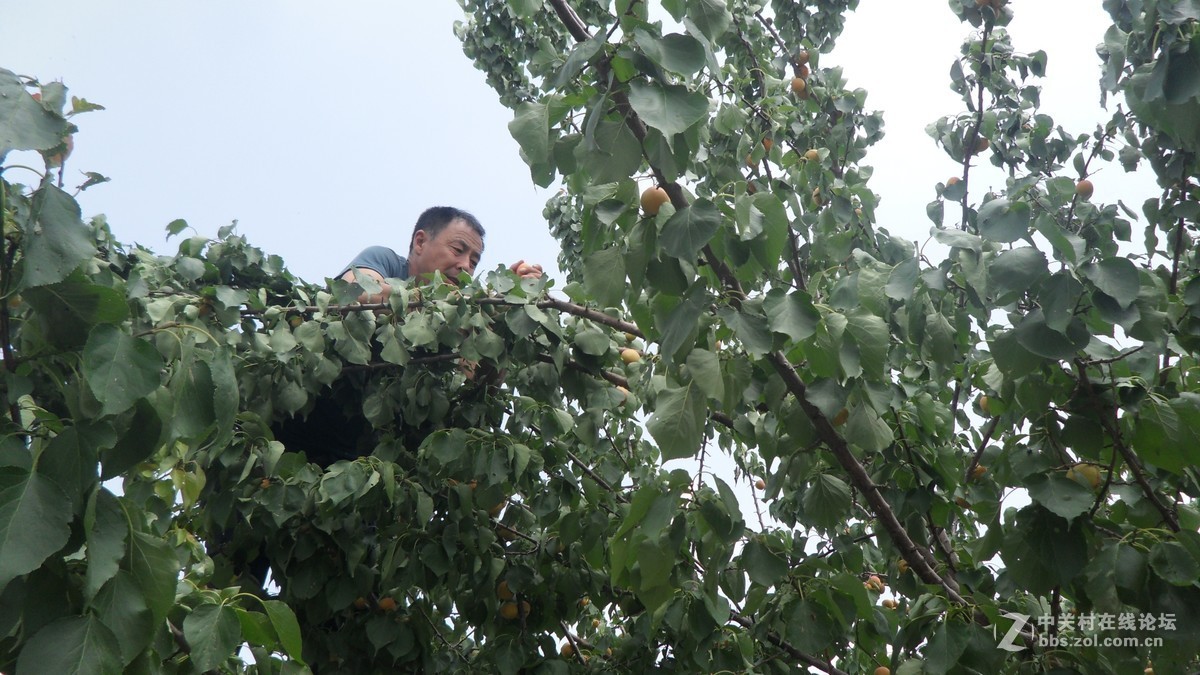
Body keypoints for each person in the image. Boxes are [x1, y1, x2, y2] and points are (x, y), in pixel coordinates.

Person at [339, 205, 542, 301]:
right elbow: (354, 292)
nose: (465, 266)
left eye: (473, 262)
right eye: (457, 250)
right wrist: (441, 302)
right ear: (420, 242)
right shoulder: (385, 261)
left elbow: (483, 382)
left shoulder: (461, 309)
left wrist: (509, 304)